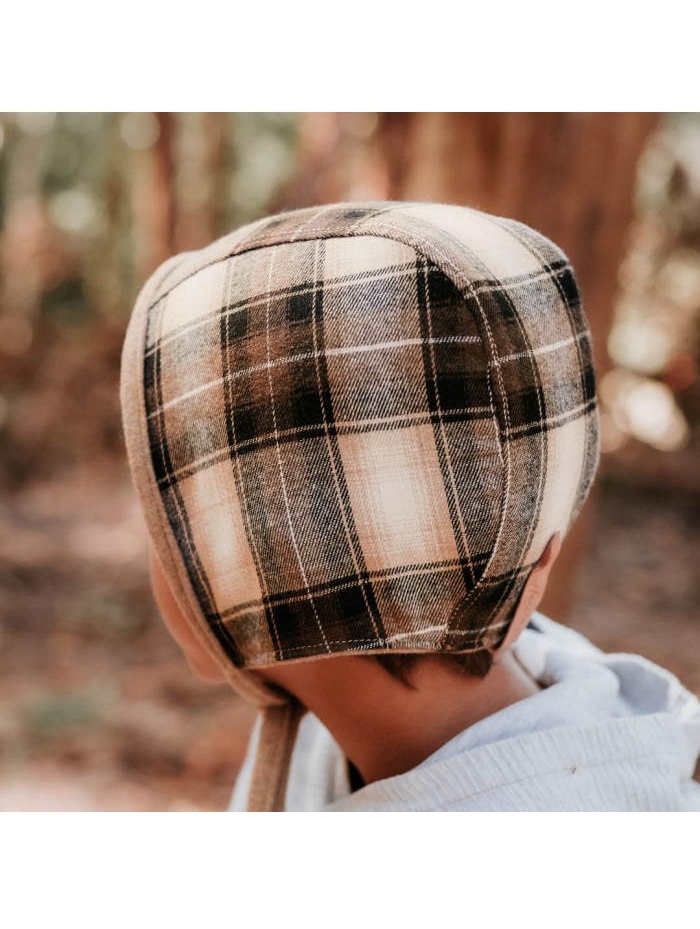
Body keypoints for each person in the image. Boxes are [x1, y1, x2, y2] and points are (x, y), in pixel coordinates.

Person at [121, 201, 700, 812]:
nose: (149, 543)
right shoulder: (573, 703)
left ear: (239, 558)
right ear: (538, 562)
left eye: (159, 516)